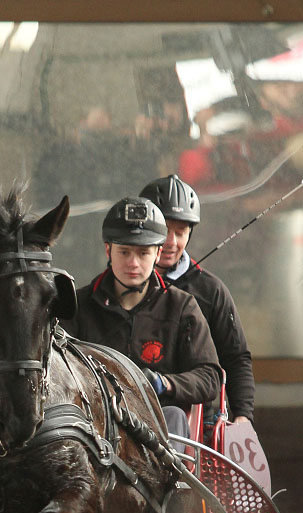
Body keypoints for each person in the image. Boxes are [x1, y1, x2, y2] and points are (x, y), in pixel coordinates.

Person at [63, 196, 222, 445]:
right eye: (124, 252)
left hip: (160, 423)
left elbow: (210, 377)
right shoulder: (77, 306)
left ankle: (164, 484)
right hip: (94, 427)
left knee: (174, 415)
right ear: (108, 250)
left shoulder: (182, 307)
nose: (133, 263)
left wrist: (163, 383)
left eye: (143, 253)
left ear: (158, 253)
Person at [139, 175, 255, 425]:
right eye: (164, 231)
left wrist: (243, 416)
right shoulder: (120, 287)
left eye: (180, 232)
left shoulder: (211, 291)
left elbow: (236, 357)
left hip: (195, 423)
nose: (171, 242)